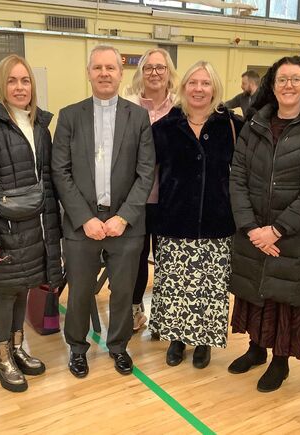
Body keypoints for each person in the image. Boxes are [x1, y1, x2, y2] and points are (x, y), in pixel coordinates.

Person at [228, 55, 300, 392]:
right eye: (281, 80)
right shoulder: (254, 123)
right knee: (255, 292)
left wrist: (275, 230)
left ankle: (280, 362)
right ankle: (256, 350)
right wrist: (251, 228)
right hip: (254, 230)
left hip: (293, 234)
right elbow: (238, 178)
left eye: (295, 79)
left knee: (284, 298)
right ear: (271, 86)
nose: (288, 86)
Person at [52, 45, 155, 378]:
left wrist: (123, 217)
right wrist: (85, 218)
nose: (104, 73)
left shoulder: (137, 116)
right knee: (80, 290)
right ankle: (78, 349)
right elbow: (60, 172)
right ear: (88, 73)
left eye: (110, 68)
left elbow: (146, 172)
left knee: (124, 291)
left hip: (126, 223)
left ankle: (118, 346)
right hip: (83, 224)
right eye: (98, 68)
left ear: (120, 72)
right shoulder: (69, 116)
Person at [0, 55, 62, 393]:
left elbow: (46, 184)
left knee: (23, 287)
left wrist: (53, 233)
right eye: (12, 81)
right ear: (0, 86)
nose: (20, 87)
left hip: (33, 230)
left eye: (25, 80)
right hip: (4, 232)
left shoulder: (39, 125)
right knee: (4, 295)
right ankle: (2, 356)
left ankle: (18, 348)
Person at [149, 61, 243, 369]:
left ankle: (204, 342)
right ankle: (177, 339)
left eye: (205, 83)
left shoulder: (232, 126)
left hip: (217, 223)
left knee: (210, 290)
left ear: (214, 88)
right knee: (175, 288)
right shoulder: (164, 128)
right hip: (174, 222)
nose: (199, 89)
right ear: (183, 87)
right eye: (193, 83)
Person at [124, 48, 178, 331]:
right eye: (149, 68)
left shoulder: (180, 108)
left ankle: (165, 315)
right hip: (138, 198)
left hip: (171, 200)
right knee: (137, 257)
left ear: (169, 73)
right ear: (141, 73)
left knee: (168, 259)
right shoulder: (129, 106)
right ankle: (135, 310)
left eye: (160, 67)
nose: (155, 73)